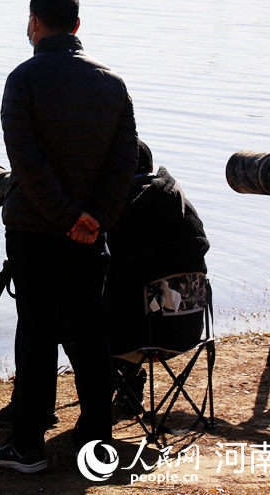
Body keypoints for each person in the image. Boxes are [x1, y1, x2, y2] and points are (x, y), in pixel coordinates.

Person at [0, 0, 138, 473]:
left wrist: (67, 215)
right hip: (91, 234)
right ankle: (97, 435)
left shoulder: (23, 80)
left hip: (35, 229)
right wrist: (95, 218)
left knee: (36, 330)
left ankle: (27, 443)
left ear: (34, 23)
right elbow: (125, 164)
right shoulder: (112, 84)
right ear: (76, 26)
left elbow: (26, 164)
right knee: (87, 330)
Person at [106, 140, 210, 412]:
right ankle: (129, 386)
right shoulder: (182, 205)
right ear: (150, 168)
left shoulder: (121, 208)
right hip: (188, 330)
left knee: (76, 312)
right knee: (136, 288)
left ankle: (96, 407)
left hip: (137, 335)